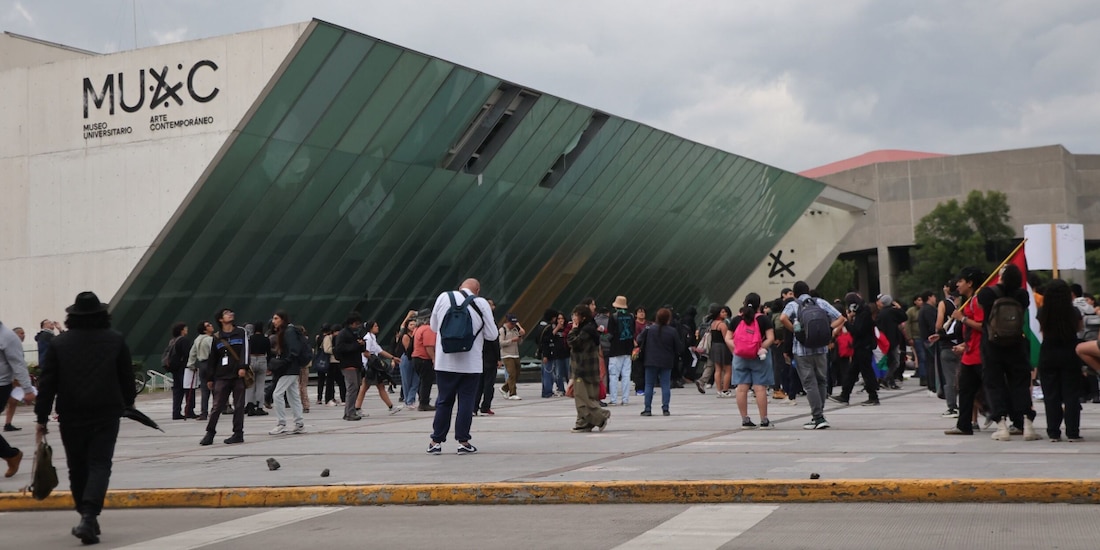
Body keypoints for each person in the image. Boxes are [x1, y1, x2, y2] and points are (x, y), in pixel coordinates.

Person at [34, 291, 136, 544]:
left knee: (77, 466)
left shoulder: (60, 344)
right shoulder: (115, 340)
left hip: (71, 413)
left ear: (72, 317)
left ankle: (86, 516)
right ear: (102, 315)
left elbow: (48, 383)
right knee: (100, 464)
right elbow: (127, 377)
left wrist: (41, 417)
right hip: (106, 412)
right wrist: (128, 403)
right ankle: (89, 517)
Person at [426, 278, 497, 454]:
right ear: (477, 290)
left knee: (444, 401)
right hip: (471, 364)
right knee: (466, 402)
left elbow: (434, 327)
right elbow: (492, 335)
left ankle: (436, 442)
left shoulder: (444, 297)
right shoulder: (481, 303)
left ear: (459, 288)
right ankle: (463, 442)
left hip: (445, 362)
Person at [976, 263, 1039, 441]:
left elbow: (980, 304)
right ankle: (1027, 424)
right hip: (1016, 344)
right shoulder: (1022, 295)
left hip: (992, 344)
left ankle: (1001, 425)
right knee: (1020, 383)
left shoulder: (988, 293)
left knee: (994, 383)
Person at [780, 280, 845, 430]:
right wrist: (827, 329)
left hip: (802, 350)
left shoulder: (793, 305)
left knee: (809, 383)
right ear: (808, 291)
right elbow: (841, 318)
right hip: (821, 348)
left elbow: (783, 318)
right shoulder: (820, 302)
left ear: (794, 293)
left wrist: (796, 331)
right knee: (822, 380)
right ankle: (819, 414)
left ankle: (818, 417)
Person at [1035, 279, 1083, 441]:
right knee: (1071, 395)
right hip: (1070, 352)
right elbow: (1079, 329)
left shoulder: (1042, 311)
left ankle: (1053, 431)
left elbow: (1042, 331)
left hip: (1048, 353)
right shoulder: (1074, 311)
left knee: (1051, 395)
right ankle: (1073, 431)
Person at [200, 308, 249, 446]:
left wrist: (243, 366)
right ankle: (210, 432)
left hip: (238, 374)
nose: (231, 314)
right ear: (221, 319)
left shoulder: (241, 332)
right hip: (221, 375)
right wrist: (210, 378)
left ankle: (238, 433)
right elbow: (213, 358)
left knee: (239, 405)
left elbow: (246, 349)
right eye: (227, 313)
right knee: (217, 406)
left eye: (231, 312)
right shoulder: (216, 337)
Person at [727, 293, 776, 428]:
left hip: (740, 357)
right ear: (759, 305)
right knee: (759, 388)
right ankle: (764, 419)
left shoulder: (736, 319)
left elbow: (728, 338)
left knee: (741, 388)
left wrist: (738, 348)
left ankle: (745, 419)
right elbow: (770, 338)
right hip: (759, 357)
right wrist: (759, 348)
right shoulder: (764, 319)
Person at [831, 292, 881, 406]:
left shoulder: (863, 314)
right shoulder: (863, 312)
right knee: (852, 372)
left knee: (866, 372)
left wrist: (846, 323)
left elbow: (857, 331)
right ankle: (845, 395)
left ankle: (873, 396)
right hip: (860, 347)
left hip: (863, 347)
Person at [568, 304, 610, 432]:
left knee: (582, 400)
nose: (574, 318)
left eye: (576, 315)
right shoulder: (591, 328)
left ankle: (601, 416)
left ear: (583, 317)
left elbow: (573, 343)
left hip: (583, 370)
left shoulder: (585, 331)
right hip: (590, 370)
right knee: (589, 397)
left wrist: (573, 329)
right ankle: (583, 423)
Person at [637, 307, 684, 417]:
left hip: (650, 360)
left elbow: (639, 339)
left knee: (649, 385)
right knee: (665, 385)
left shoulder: (649, 329)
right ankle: (665, 408)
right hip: (666, 361)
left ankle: (647, 409)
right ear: (668, 319)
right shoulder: (672, 331)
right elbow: (679, 348)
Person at [1, 319, 34, 478]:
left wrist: (27, 389)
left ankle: (11, 455)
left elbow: (18, 364)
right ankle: (11, 455)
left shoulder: (7, 337)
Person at [267, 311, 305, 435]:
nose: (273, 321)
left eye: (276, 318)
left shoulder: (288, 332)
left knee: (277, 394)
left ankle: (281, 423)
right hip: (292, 368)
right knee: (293, 396)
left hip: (289, 368)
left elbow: (294, 350)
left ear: (283, 320)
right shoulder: (289, 331)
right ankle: (299, 423)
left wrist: (285, 362)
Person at [359, 319, 403, 416]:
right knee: (366, 387)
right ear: (370, 328)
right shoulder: (368, 338)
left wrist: (393, 357)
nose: (377, 327)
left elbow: (380, 351)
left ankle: (391, 407)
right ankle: (357, 408)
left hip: (373, 366)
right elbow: (365, 352)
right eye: (375, 326)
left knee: (378, 386)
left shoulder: (372, 337)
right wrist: (375, 361)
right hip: (370, 366)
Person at [334, 313, 366, 421]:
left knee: (355, 388)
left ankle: (349, 411)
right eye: (356, 324)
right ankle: (350, 412)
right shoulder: (343, 334)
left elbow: (360, 348)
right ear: (351, 323)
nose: (358, 326)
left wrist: (362, 344)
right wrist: (356, 345)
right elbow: (340, 348)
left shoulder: (355, 333)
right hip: (348, 364)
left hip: (356, 363)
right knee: (352, 388)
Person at [606, 296, 635, 406]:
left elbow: (610, 334)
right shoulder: (631, 316)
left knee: (614, 375)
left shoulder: (613, 317)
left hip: (615, 350)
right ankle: (625, 399)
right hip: (628, 349)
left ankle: (613, 399)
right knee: (626, 375)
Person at [184, 321, 214, 420]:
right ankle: (215, 409)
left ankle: (203, 412)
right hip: (211, 364)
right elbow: (215, 353)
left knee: (204, 390)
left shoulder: (197, 340)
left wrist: (191, 365)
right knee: (216, 388)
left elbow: (192, 353)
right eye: (208, 326)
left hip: (202, 365)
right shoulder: (210, 340)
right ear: (205, 330)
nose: (211, 326)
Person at [476, 300, 502, 415]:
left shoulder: (477, 321)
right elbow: (494, 342)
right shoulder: (491, 323)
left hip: (479, 357)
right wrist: (498, 358)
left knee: (479, 384)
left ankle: (474, 407)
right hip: (489, 358)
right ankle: (485, 406)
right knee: (488, 384)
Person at [4, 326, 29, 433]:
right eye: (21, 333)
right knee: (9, 401)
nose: (24, 335)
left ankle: (8, 423)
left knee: (13, 401)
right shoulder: (9, 345)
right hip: (6, 379)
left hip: (13, 379)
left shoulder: (17, 347)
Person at [411, 311, 437, 411]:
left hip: (416, 357)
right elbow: (428, 346)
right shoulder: (428, 329)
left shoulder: (417, 329)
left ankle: (423, 400)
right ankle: (424, 403)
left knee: (422, 380)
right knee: (427, 381)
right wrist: (434, 358)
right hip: (424, 358)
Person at [706, 303, 733, 397]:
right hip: (723, 347)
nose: (724, 313)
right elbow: (727, 338)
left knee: (718, 369)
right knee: (728, 369)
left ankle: (719, 390)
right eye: (722, 312)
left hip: (714, 347)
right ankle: (725, 390)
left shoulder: (713, 324)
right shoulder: (722, 325)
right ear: (718, 313)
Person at [167, 322, 191, 420]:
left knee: (177, 391)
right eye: (185, 329)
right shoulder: (183, 340)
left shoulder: (172, 341)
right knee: (187, 390)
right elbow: (186, 354)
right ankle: (189, 411)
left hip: (174, 368)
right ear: (182, 330)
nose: (187, 330)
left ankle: (176, 412)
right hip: (183, 368)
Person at [498, 313, 524, 400]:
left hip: (515, 354)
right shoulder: (502, 330)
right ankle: (513, 393)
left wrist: (520, 336)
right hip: (506, 355)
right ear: (507, 322)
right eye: (511, 324)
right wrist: (511, 340)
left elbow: (520, 343)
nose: (513, 325)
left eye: (514, 324)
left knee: (517, 373)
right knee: (512, 373)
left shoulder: (515, 329)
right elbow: (501, 343)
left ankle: (504, 388)